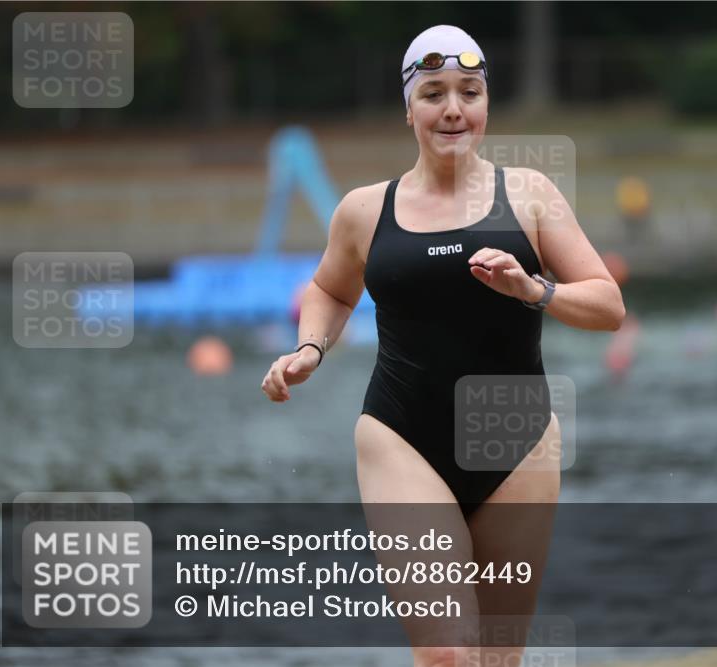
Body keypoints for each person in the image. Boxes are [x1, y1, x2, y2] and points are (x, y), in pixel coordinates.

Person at [260, 25, 625, 666]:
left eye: (469, 92)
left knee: (498, 657)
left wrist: (534, 290)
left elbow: (607, 306)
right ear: (409, 108)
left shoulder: (531, 196)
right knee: (448, 654)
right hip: (402, 434)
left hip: (516, 441)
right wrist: (311, 348)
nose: (453, 108)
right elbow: (329, 289)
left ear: (486, 104)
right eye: (433, 93)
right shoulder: (364, 210)